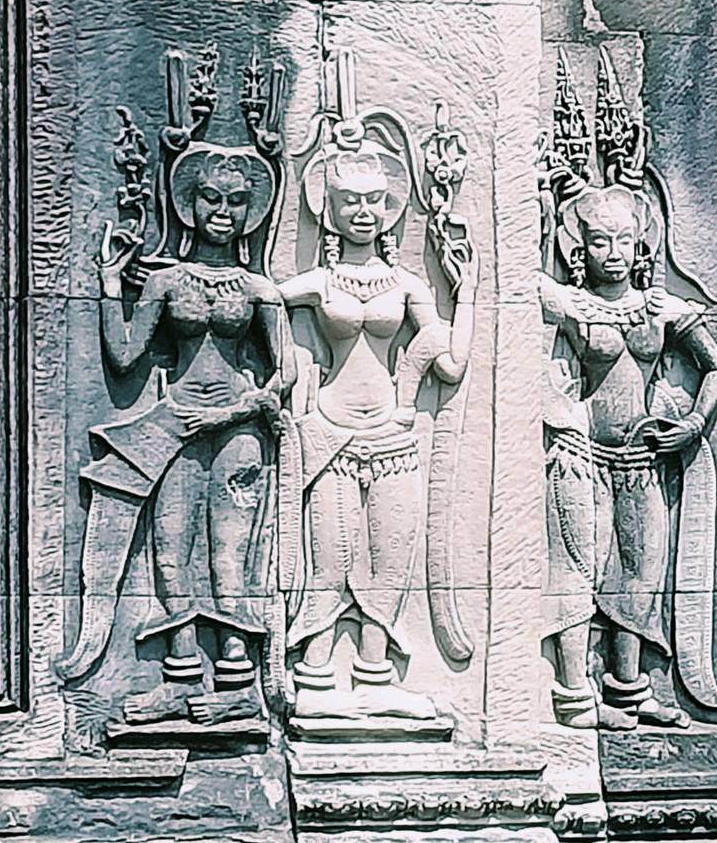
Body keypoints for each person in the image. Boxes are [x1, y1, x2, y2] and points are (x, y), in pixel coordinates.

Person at [57, 143, 295, 727]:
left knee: (229, 558)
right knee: (170, 555)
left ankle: (237, 682)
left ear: (251, 211)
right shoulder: (165, 281)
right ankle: (181, 676)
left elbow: (284, 372)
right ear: (189, 204)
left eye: (236, 201)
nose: (223, 212)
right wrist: (110, 283)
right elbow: (124, 356)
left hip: (235, 428)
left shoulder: (257, 289)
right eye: (211, 198)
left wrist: (235, 410)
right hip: (174, 423)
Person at [279, 130, 476, 719]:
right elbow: (264, 300)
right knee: (330, 560)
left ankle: (374, 677)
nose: (362, 212)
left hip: (394, 435)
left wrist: (466, 295)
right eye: (349, 201)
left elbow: (450, 362)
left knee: (390, 560)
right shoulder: (320, 283)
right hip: (331, 431)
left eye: (373, 200)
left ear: (389, 208)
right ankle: (315, 678)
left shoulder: (408, 286)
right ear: (330, 210)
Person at [540, 183, 717, 729]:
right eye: (600, 241)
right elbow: (522, 286)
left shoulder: (661, 308)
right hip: (583, 457)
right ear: (581, 248)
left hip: (643, 458)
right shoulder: (574, 306)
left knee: (640, 576)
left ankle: (628, 688)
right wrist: (543, 209)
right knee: (580, 568)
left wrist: (692, 424)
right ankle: (575, 692)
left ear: (641, 245)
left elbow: (715, 366)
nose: (614, 253)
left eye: (624, 240)